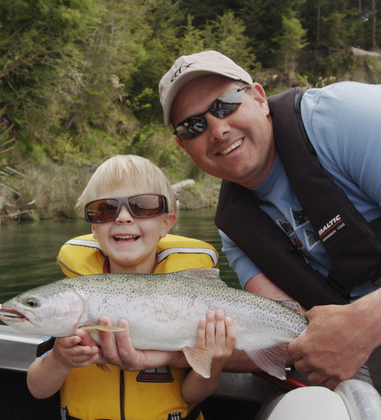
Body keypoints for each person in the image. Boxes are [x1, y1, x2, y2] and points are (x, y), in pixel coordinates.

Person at [151, 50, 381, 420]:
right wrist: (160, 353)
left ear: (259, 98)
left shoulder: (348, 117)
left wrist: (367, 322)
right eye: (193, 125)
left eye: (225, 105)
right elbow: (286, 335)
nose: (217, 129)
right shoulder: (236, 229)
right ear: (183, 146)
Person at [26, 154, 236, 420]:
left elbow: (191, 396)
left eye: (143, 206)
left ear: (166, 224)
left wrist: (213, 365)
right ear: (93, 226)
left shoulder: (197, 305)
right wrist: (59, 359)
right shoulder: (70, 302)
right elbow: (37, 388)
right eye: (104, 209)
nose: (123, 217)